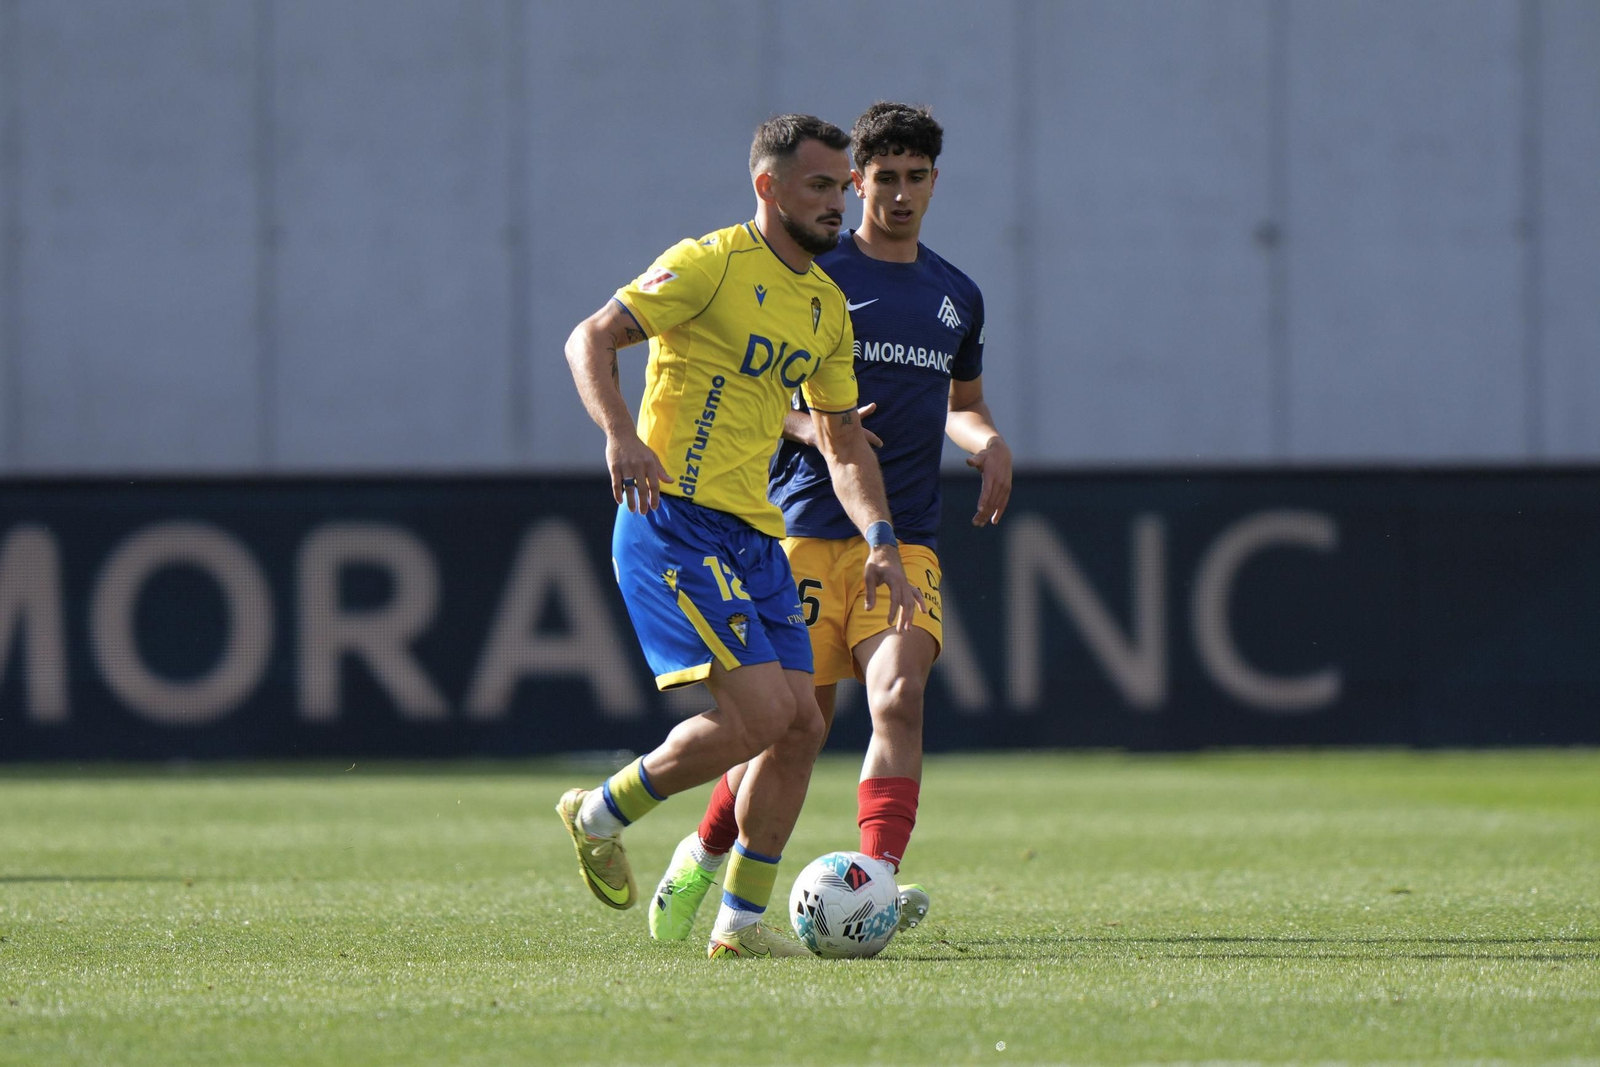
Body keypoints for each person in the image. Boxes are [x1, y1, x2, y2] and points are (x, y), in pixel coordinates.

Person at [556, 113, 924, 959]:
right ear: (770, 187)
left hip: (756, 533)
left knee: (802, 725)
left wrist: (878, 537)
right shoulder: (710, 263)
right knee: (760, 713)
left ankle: (741, 925)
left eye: (843, 186)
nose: (842, 202)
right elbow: (592, 336)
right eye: (822, 186)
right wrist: (620, 432)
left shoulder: (827, 305)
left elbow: (839, 440)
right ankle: (599, 811)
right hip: (672, 518)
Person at [649, 103, 1012, 943]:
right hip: (806, 527)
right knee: (780, 731)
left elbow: (964, 404)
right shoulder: (817, 276)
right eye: (883, 178)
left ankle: (873, 878)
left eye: (916, 178)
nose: (899, 194)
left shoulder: (957, 296)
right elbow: (758, 388)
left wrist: (987, 440)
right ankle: (704, 852)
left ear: (933, 182)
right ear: (858, 182)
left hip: (904, 532)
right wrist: (814, 425)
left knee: (899, 694)